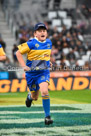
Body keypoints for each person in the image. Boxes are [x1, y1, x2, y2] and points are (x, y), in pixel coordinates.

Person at [16, 23, 53, 125]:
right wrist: (24, 66)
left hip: (43, 72)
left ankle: (47, 117)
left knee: (45, 91)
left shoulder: (49, 42)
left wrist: (48, 62)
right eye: (40, 31)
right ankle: (29, 97)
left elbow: (45, 54)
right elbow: (18, 53)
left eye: (44, 31)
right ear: (35, 34)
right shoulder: (31, 43)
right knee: (35, 97)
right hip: (31, 74)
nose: (42, 32)